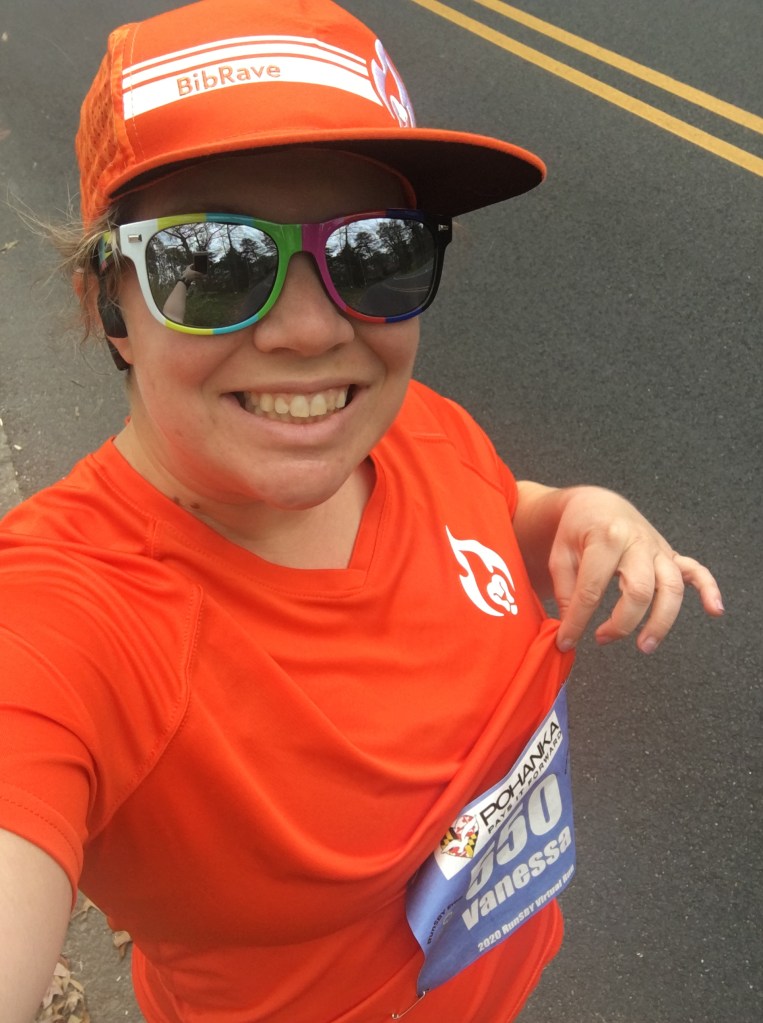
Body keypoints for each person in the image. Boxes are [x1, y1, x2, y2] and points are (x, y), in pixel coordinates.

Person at [0, 2, 723, 1022]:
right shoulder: (68, 616)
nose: (310, 330)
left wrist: (569, 513)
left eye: (375, 253)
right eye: (214, 262)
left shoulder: (413, 429)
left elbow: (480, 507)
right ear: (111, 304)